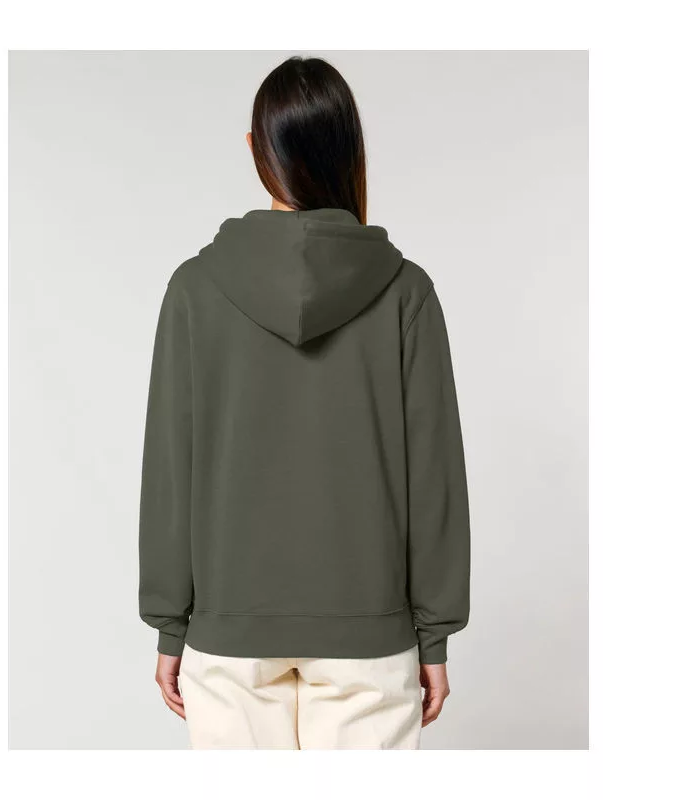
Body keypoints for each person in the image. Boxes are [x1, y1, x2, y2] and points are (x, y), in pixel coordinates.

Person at [139, 55, 470, 750]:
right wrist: (433, 635)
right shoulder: (405, 292)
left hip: (229, 636)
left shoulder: (195, 289)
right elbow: (433, 477)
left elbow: (171, 468)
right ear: (349, 151)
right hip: (370, 638)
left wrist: (172, 624)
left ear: (255, 149)